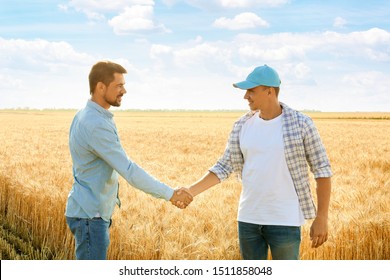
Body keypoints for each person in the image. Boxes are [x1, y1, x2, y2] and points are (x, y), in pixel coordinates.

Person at [184, 65, 332, 260]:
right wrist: (190, 192)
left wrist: (321, 217)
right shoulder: (241, 125)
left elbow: (322, 170)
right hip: (248, 220)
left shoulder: (301, 123)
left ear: (269, 91)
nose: (246, 96)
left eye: (251, 90)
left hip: (285, 221)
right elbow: (224, 166)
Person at [65, 61, 192, 260]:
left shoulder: (85, 114)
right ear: (100, 87)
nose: (124, 90)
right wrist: (170, 194)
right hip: (90, 216)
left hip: (88, 211)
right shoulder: (95, 123)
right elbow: (129, 171)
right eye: (119, 85)